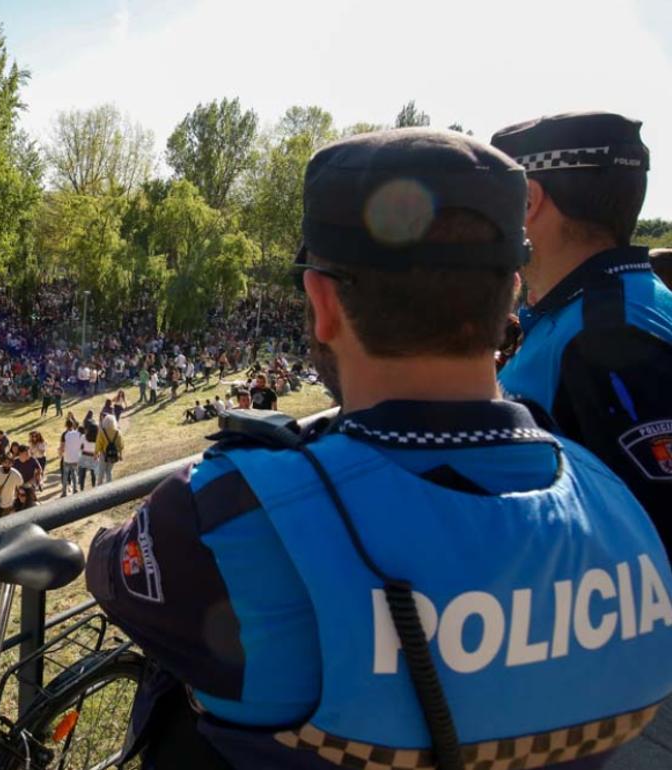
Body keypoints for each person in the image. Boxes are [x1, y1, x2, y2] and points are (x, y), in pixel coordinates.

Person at [85, 128, 672, 769]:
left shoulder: (234, 513)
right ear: (508, 294)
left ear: (323, 302)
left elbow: (111, 571)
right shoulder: (618, 504)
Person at [492, 113, 672, 538]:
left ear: (528, 202)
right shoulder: (613, 306)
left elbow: (651, 536)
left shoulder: (606, 335)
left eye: (489, 203)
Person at [93, 413, 123, 485]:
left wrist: (96, 453)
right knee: (109, 471)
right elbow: (121, 445)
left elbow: (98, 444)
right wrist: (120, 454)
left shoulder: (102, 432)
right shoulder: (118, 432)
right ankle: (109, 487)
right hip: (114, 454)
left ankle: (99, 487)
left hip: (104, 454)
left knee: (101, 472)